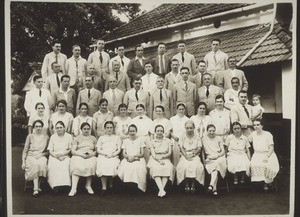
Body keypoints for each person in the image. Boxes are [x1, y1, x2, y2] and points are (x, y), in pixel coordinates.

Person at [248, 119, 279, 191]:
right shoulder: (252, 134)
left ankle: (266, 183)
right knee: (254, 164)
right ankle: (259, 184)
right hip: (257, 154)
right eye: (254, 125)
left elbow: (271, 148)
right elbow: (246, 141)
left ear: (262, 125)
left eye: (258, 125)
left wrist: (267, 157)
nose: (256, 126)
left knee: (265, 164)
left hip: (268, 154)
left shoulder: (268, 134)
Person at [68, 122, 97, 196]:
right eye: (84, 129)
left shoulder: (93, 138)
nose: (86, 130)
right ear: (81, 129)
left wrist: (91, 155)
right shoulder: (77, 138)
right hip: (79, 154)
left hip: (90, 155)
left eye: (88, 129)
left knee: (91, 164)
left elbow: (96, 151)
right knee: (76, 164)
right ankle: (74, 188)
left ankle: (88, 185)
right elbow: (73, 151)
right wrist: (81, 155)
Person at [176, 120, 205, 194]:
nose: (189, 129)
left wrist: (193, 154)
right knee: (183, 166)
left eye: (191, 128)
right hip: (185, 154)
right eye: (187, 128)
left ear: (194, 128)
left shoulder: (197, 136)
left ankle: (193, 184)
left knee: (196, 166)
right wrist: (186, 155)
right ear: (185, 128)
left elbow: (199, 148)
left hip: (194, 154)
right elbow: (181, 147)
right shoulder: (182, 136)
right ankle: (186, 184)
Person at [22, 120, 49, 197]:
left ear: (42, 127)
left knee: (42, 163)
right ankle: (36, 188)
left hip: (41, 156)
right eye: (36, 126)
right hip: (31, 156)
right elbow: (25, 150)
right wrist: (23, 161)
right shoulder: (30, 136)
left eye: (40, 126)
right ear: (33, 127)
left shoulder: (46, 137)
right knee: (35, 164)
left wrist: (41, 154)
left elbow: (48, 152)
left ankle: (37, 185)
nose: (38, 128)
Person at [118, 124, 147, 192]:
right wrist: (128, 157)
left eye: (133, 131)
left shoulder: (140, 140)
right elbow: (124, 153)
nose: (132, 132)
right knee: (125, 167)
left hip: (138, 158)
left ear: (136, 131)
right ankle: (127, 187)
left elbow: (142, 154)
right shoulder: (125, 141)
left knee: (138, 168)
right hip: (127, 158)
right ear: (128, 132)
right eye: (130, 131)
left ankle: (138, 187)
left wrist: (134, 156)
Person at [147, 125, 174, 198]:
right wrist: (159, 160)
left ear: (163, 132)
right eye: (158, 131)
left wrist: (163, 157)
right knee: (155, 168)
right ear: (155, 132)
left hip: (165, 157)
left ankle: (161, 190)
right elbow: (153, 154)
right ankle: (162, 190)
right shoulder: (152, 141)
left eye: (161, 131)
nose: (159, 132)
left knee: (168, 167)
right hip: (155, 158)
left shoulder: (168, 141)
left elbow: (169, 153)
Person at [96, 121, 121, 196]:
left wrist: (112, 155)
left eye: (111, 127)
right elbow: (98, 149)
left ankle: (111, 184)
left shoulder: (117, 138)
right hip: (103, 155)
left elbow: (119, 149)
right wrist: (105, 154)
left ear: (113, 128)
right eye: (107, 128)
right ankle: (104, 188)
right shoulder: (101, 138)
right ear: (105, 129)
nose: (109, 129)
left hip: (113, 155)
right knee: (103, 165)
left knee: (112, 165)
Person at [47, 121, 72, 193]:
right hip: (54, 156)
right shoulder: (53, 137)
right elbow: (50, 150)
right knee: (53, 166)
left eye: (61, 127)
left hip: (65, 155)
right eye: (57, 128)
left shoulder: (69, 136)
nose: (59, 129)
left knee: (64, 165)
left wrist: (62, 154)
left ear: (64, 128)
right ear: (55, 129)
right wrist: (56, 156)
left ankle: (66, 185)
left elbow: (70, 149)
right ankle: (55, 186)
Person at [202, 124, 227, 196]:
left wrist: (217, 156)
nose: (212, 132)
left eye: (213, 131)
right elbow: (203, 152)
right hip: (209, 158)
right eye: (210, 131)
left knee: (217, 163)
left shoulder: (219, 138)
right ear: (207, 131)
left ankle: (211, 185)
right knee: (215, 168)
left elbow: (223, 152)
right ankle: (214, 188)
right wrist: (204, 161)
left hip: (219, 157)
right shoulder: (204, 139)